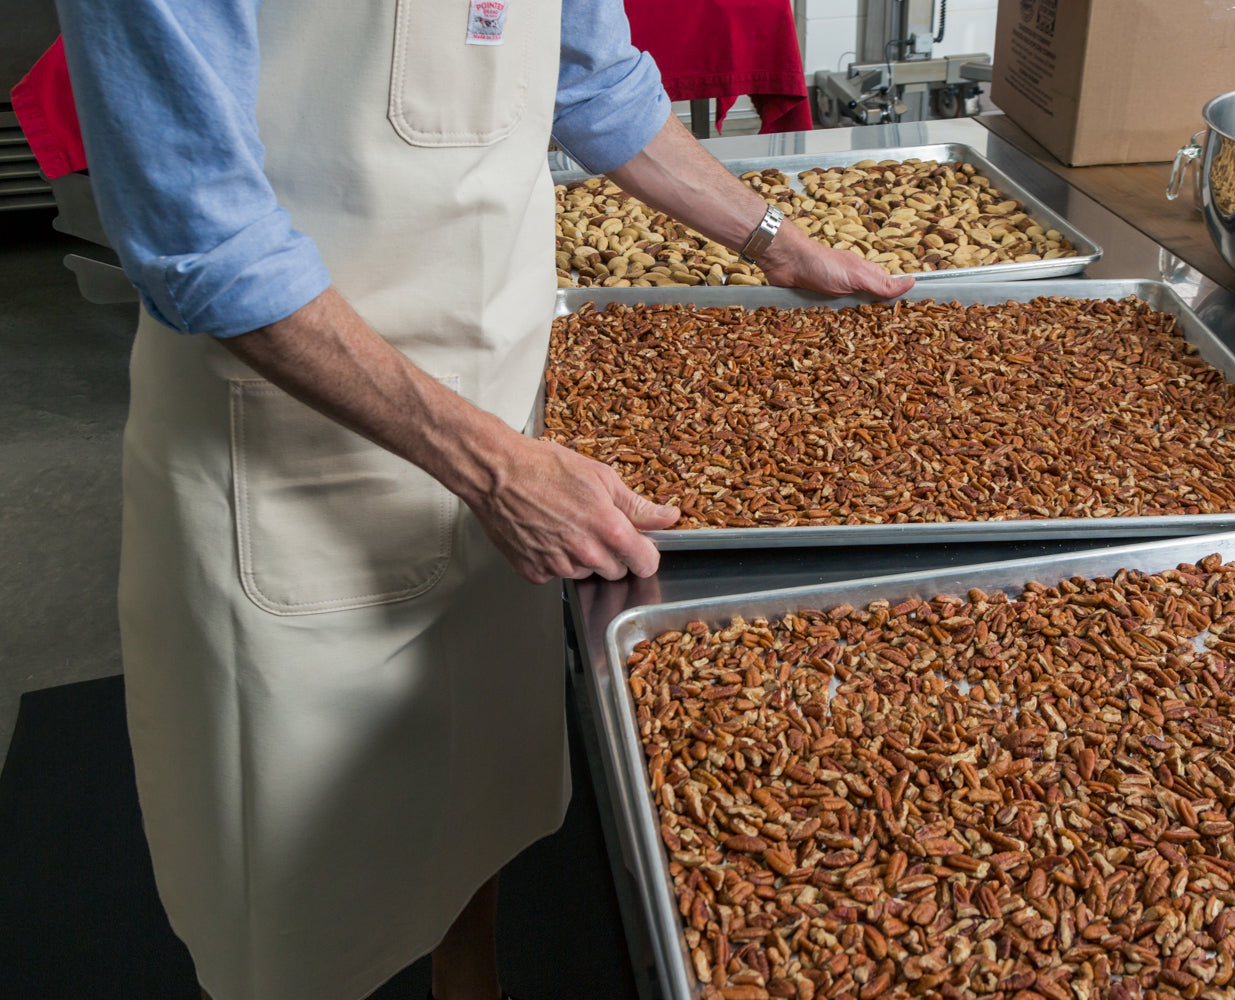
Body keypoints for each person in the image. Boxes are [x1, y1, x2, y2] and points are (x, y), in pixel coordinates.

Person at [53, 0, 913, 998]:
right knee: (299, 884)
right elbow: (201, 233)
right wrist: (492, 467)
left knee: (478, 802)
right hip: (290, 461)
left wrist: (776, 241)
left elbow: (592, 80)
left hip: (504, 424)